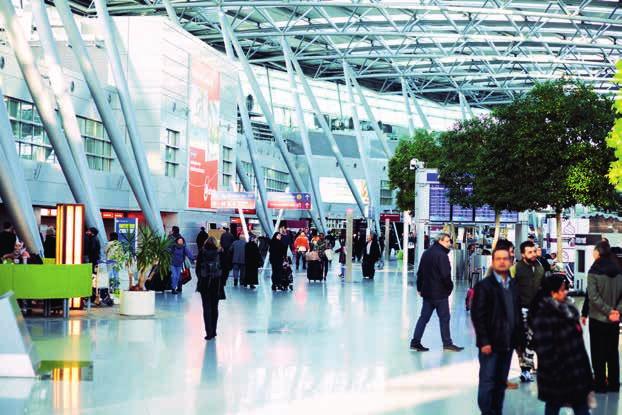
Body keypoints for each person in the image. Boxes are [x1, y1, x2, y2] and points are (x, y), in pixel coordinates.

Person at [471, 246, 524, 415]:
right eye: (498, 259)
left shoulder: (514, 285)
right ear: (493, 262)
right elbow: (477, 316)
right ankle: (487, 412)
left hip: (507, 342)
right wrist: (484, 341)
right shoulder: (484, 286)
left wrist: (520, 340)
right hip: (490, 344)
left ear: (510, 261)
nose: (502, 261)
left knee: (501, 382)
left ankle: (497, 411)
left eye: (505, 258)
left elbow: (516, 313)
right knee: (488, 382)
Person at [531, 275, 594, 415]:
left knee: (581, 407)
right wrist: (559, 372)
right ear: (552, 293)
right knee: (553, 406)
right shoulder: (544, 316)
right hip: (557, 376)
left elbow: (579, 345)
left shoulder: (570, 310)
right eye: (562, 290)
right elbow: (545, 352)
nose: (566, 292)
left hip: (576, 372)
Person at [410, 233, 463, 352]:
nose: (450, 244)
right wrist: (450, 288)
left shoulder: (426, 253)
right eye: (448, 241)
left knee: (423, 318)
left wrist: (419, 288)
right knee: (444, 318)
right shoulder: (442, 255)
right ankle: (447, 343)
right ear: (440, 241)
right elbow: (446, 275)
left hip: (427, 293)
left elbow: (420, 273)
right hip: (440, 294)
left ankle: (415, 342)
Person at [587, 240, 622, 393]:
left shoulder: (594, 271)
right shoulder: (619, 270)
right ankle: (614, 384)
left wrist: (608, 311)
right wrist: (616, 312)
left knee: (598, 352)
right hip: (614, 320)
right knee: (612, 352)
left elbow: (593, 297)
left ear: (598, 253)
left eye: (594, 251)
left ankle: (600, 384)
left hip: (597, 319)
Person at [513, 240, 545, 383]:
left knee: (536, 340)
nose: (533, 254)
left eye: (534, 251)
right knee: (524, 341)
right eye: (529, 252)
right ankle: (525, 369)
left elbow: (544, 287)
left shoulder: (539, 266)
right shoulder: (516, 269)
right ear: (523, 254)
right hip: (522, 309)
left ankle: (533, 367)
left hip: (538, 310)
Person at [196, 237, 222, 341]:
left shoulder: (202, 252)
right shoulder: (219, 252)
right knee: (215, 307)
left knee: (206, 308)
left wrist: (200, 278)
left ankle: (209, 333)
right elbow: (224, 266)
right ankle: (214, 330)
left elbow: (198, 267)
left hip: (204, 282)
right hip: (216, 282)